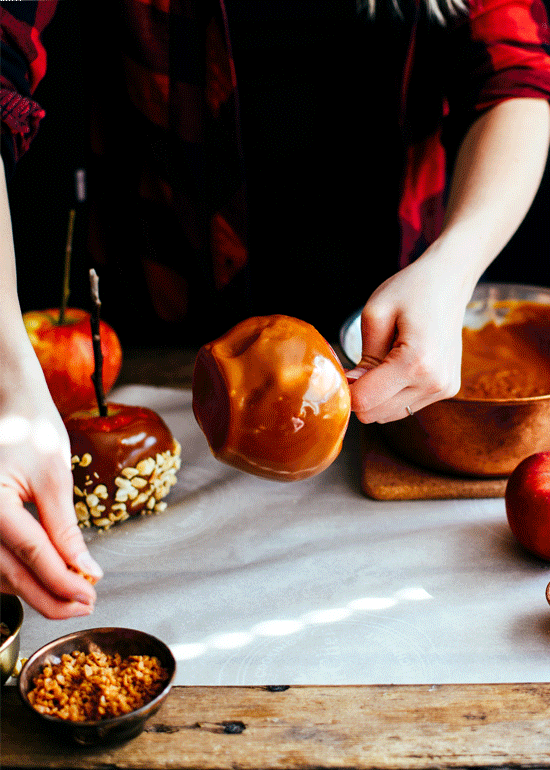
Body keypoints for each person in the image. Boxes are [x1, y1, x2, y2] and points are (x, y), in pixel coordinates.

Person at [1, 0, 550, 619]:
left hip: (394, 307)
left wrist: (454, 266)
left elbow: (516, 77)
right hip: (163, 314)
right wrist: (10, 383)